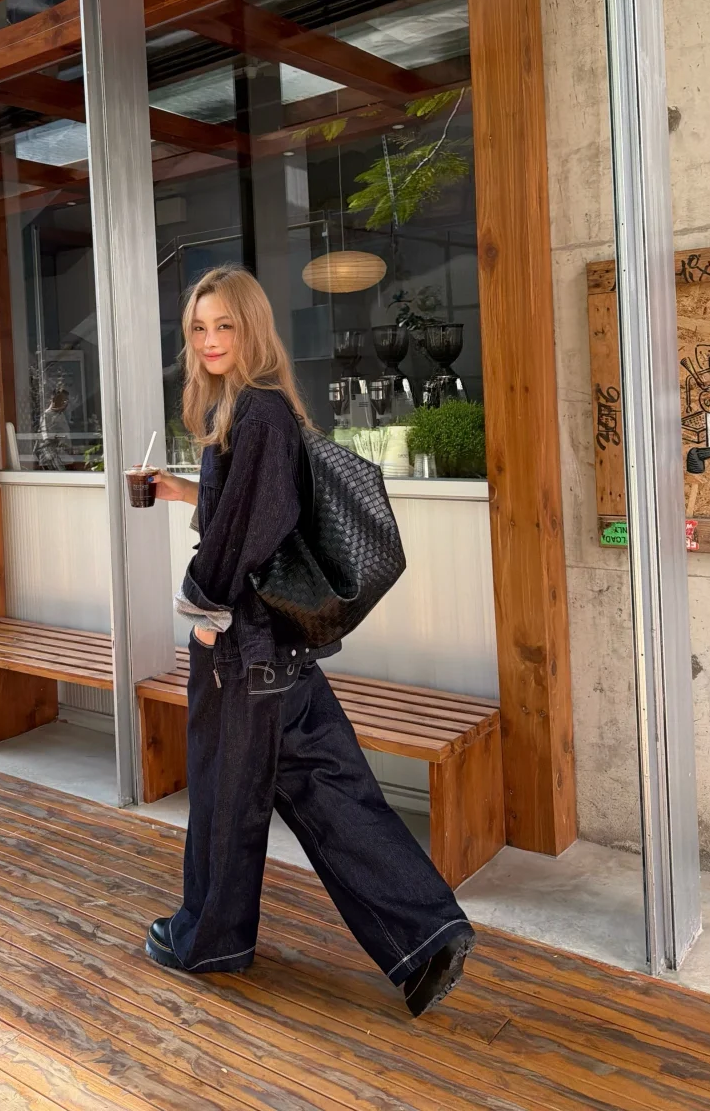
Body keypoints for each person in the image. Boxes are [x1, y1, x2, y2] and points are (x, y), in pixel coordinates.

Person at [149, 265, 475, 1017]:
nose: (209, 340)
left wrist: (203, 611)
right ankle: (428, 935)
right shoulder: (260, 409)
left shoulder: (255, 413)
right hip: (283, 652)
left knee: (226, 802)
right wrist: (184, 490)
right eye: (199, 328)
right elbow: (259, 511)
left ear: (252, 330)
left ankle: (208, 941)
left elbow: (245, 536)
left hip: (244, 651)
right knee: (337, 795)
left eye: (224, 325)